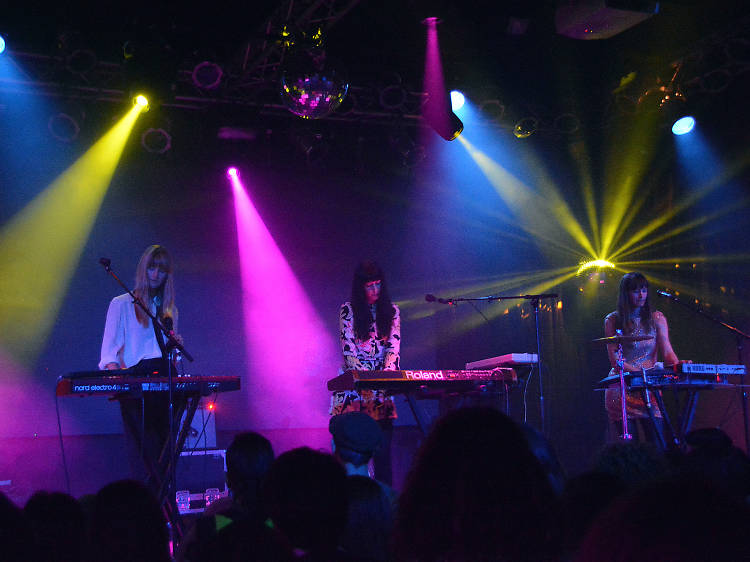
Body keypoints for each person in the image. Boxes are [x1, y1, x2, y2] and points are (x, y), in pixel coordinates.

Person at [99, 244, 183, 488]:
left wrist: (174, 349)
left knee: (167, 462)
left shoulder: (169, 311)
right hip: (136, 393)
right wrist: (123, 385)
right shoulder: (121, 304)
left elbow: (168, 359)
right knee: (144, 462)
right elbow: (109, 356)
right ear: (143, 269)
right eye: (152, 268)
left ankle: (167, 515)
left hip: (165, 389)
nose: (156, 274)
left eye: (162, 270)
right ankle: (148, 515)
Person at [330, 261, 400, 485]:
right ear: (361, 287)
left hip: (381, 389)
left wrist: (387, 374)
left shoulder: (392, 311)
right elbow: (348, 349)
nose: (375, 291)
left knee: (383, 457)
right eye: (370, 286)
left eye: (378, 285)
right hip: (354, 388)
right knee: (349, 457)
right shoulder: (348, 310)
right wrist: (363, 379)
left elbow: (393, 348)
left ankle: (385, 508)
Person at [603, 271, 686, 444]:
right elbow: (616, 361)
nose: (641, 295)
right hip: (622, 388)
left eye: (644, 290)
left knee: (657, 443)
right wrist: (641, 373)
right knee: (630, 448)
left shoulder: (657, 318)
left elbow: (668, 351)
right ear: (625, 294)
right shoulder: (613, 320)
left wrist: (679, 365)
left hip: (649, 388)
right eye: (635, 291)